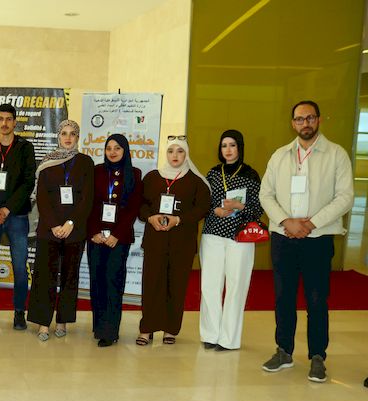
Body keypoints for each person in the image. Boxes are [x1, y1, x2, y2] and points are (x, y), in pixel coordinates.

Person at [259, 100, 354, 383]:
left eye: (310, 118)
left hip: (318, 238)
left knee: (316, 299)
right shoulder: (280, 156)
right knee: (283, 297)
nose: (305, 123)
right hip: (284, 237)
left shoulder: (336, 154)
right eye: (300, 119)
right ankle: (284, 351)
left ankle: (317, 357)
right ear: (293, 123)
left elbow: (345, 197)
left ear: (319, 120)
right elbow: (266, 194)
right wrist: (286, 221)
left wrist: (311, 223)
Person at [137, 136, 210, 345]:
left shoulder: (196, 182)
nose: (175, 156)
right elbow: (140, 205)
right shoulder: (152, 177)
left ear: (186, 154)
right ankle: (147, 328)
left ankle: (171, 329)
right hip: (155, 241)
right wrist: (150, 217)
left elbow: (202, 208)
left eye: (180, 151)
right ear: (165, 154)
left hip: (182, 243)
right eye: (171, 151)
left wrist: (178, 219)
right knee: (152, 284)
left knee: (176, 286)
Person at [26, 119, 94, 340]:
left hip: (75, 230)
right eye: (64, 133)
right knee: (45, 276)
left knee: (69, 276)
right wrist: (55, 225)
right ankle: (43, 323)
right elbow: (42, 197)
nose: (68, 138)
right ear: (58, 136)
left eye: (72, 134)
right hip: (49, 229)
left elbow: (87, 197)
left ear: (78, 137)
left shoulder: (85, 162)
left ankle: (62, 320)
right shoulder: (47, 162)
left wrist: (70, 223)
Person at [199, 130, 263, 351]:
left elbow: (258, 209)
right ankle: (210, 334)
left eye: (232, 145)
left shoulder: (251, 174)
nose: (228, 149)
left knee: (236, 286)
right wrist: (214, 210)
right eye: (224, 145)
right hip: (212, 234)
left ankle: (229, 339)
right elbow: (203, 202)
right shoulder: (213, 173)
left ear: (240, 147)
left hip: (240, 237)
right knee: (210, 285)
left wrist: (239, 206)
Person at [0, 103, 36, 329]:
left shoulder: (25, 148)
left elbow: (28, 182)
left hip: (17, 215)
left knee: (19, 265)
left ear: (15, 122)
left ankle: (19, 312)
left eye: (9, 119)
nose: (4, 123)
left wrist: (8, 209)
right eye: (0, 119)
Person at [87, 134, 143, 347]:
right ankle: (99, 327)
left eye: (117, 148)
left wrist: (116, 235)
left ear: (125, 150)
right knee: (97, 280)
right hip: (96, 237)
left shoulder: (134, 174)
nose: (112, 152)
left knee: (113, 281)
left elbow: (133, 208)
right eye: (108, 148)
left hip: (119, 239)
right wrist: (94, 232)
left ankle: (110, 332)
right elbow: (89, 204)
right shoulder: (96, 171)